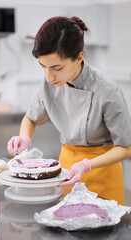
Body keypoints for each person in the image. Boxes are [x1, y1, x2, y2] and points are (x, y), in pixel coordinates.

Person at [7, 16, 131, 205]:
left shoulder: (107, 90)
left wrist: (86, 165)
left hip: (102, 173)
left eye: (56, 67)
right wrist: (24, 137)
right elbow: (31, 119)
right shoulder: (50, 84)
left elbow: (126, 147)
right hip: (66, 173)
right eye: (43, 67)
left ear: (79, 57)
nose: (49, 77)